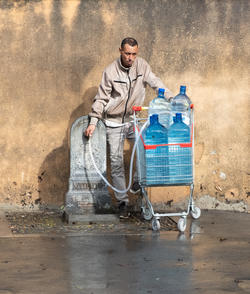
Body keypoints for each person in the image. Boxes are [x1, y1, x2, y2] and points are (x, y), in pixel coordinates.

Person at [85, 37, 173, 218]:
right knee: (116, 162)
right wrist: (93, 122)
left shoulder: (142, 66)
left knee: (144, 151)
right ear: (120, 51)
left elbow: (156, 83)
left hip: (133, 119)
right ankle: (123, 202)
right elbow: (101, 98)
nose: (130, 58)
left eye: (134, 54)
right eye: (127, 53)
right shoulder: (110, 71)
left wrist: (172, 98)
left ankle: (137, 182)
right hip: (114, 122)